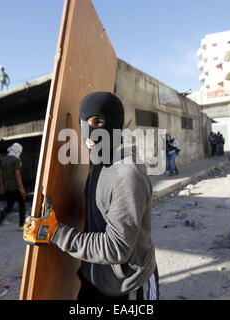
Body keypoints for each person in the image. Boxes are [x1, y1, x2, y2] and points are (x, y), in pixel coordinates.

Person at [23, 91, 159, 300]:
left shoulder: (127, 174)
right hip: (95, 278)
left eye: (97, 121)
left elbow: (115, 248)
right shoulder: (97, 162)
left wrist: (56, 233)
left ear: (114, 125)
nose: (88, 133)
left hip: (128, 285)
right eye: (83, 122)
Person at [0, 143, 26, 236]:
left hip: (7, 188)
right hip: (15, 187)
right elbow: (17, 174)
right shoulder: (16, 160)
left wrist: (1, 186)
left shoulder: (5, 159)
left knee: (9, 206)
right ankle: (21, 226)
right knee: (22, 205)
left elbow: (0, 173)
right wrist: (21, 188)